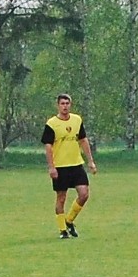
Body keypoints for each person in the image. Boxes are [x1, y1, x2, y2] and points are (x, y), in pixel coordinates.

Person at [41, 93, 97, 239]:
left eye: (67, 103)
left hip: (76, 164)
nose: (65, 106)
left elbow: (83, 140)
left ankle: (69, 220)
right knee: (61, 197)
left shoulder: (77, 120)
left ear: (70, 105)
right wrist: (51, 167)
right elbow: (48, 147)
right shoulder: (52, 124)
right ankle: (62, 230)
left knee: (84, 194)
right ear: (58, 105)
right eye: (62, 104)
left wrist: (90, 161)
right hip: (60, 166)